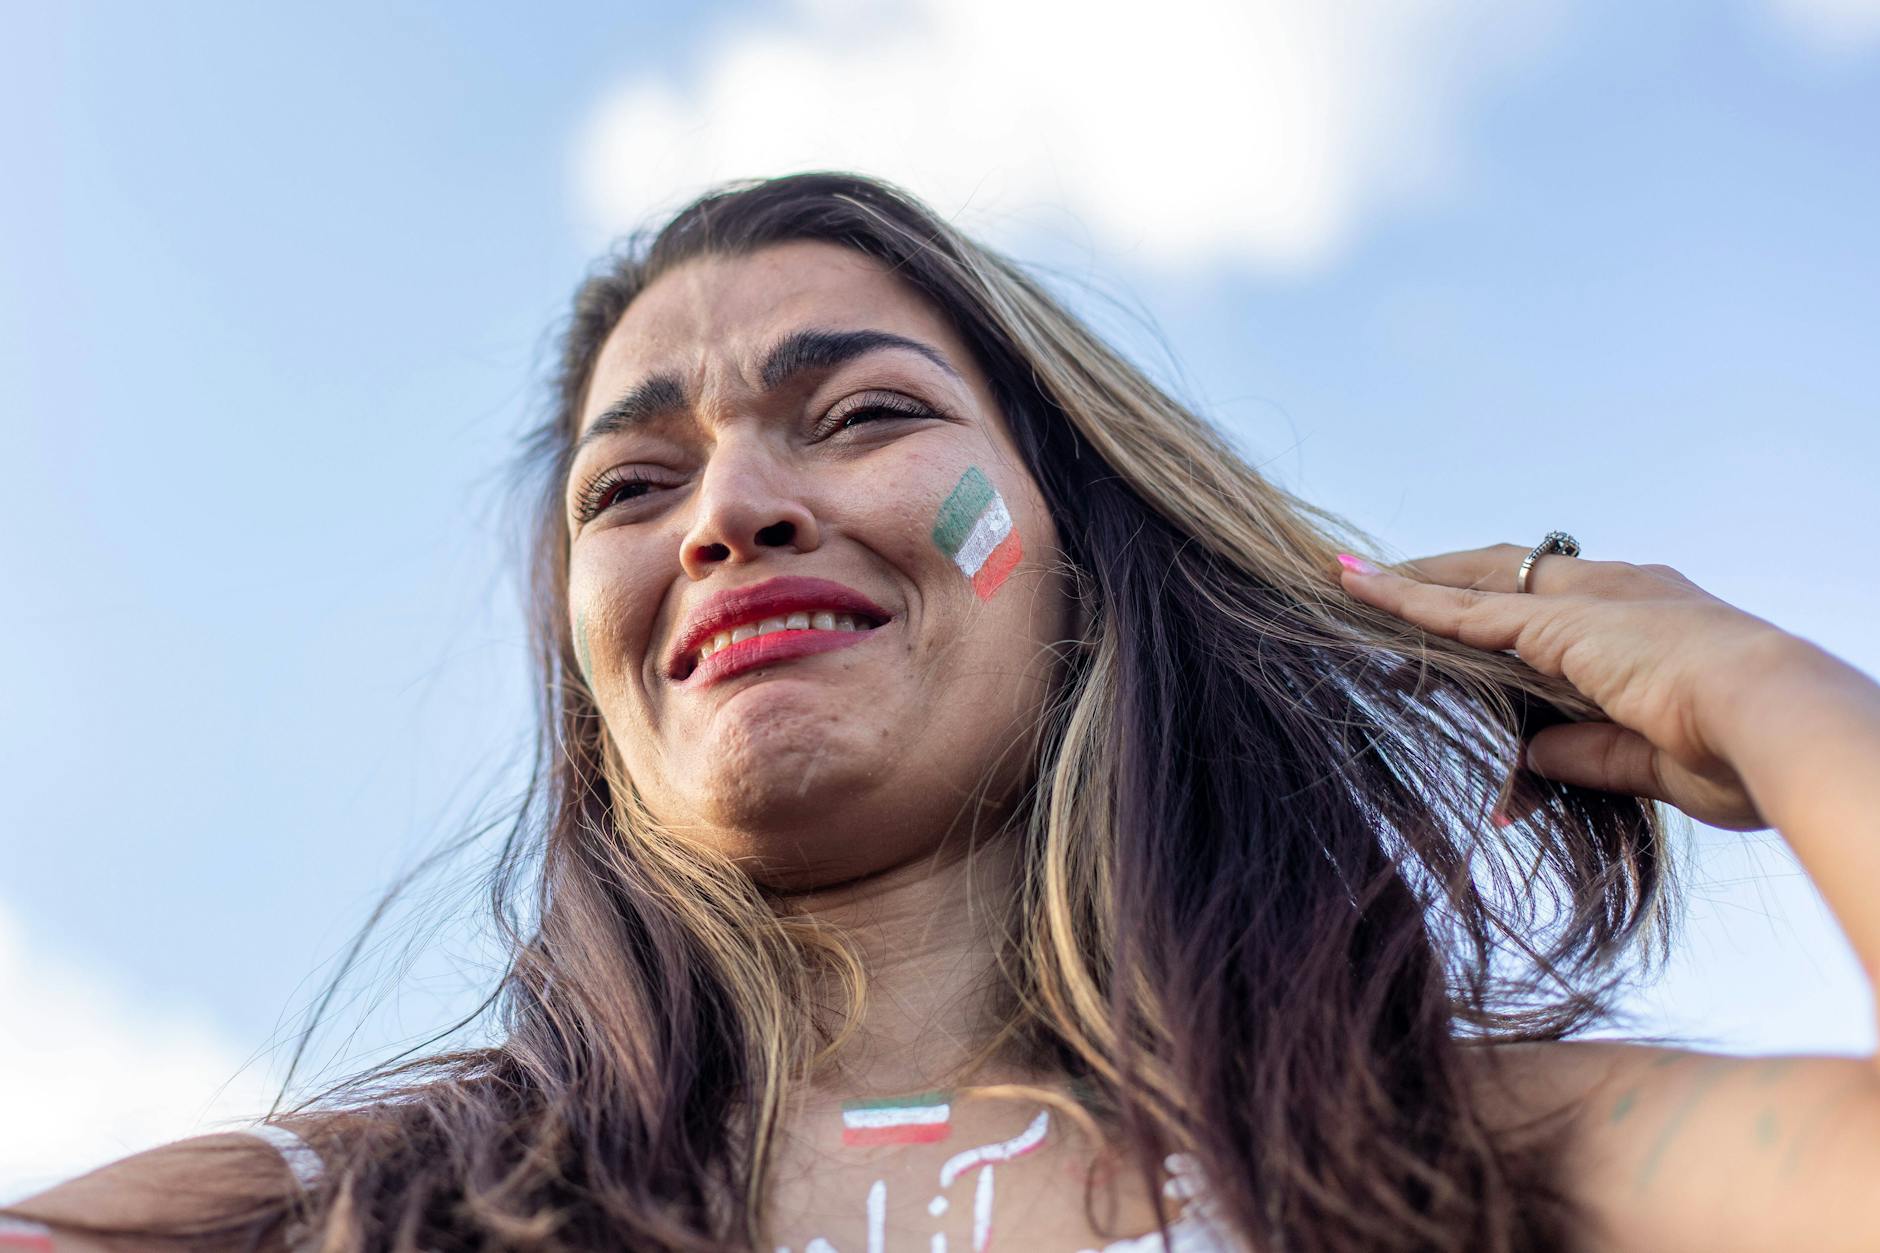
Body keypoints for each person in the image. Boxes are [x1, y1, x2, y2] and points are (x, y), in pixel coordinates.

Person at [6, 171, 1879, 1253]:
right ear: (595, 682)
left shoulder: (1458, 1153)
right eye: (630, 489)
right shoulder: (335, 1210)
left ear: (1086, 551)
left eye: (867, 414)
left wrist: (1788, 708)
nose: (733, 509)